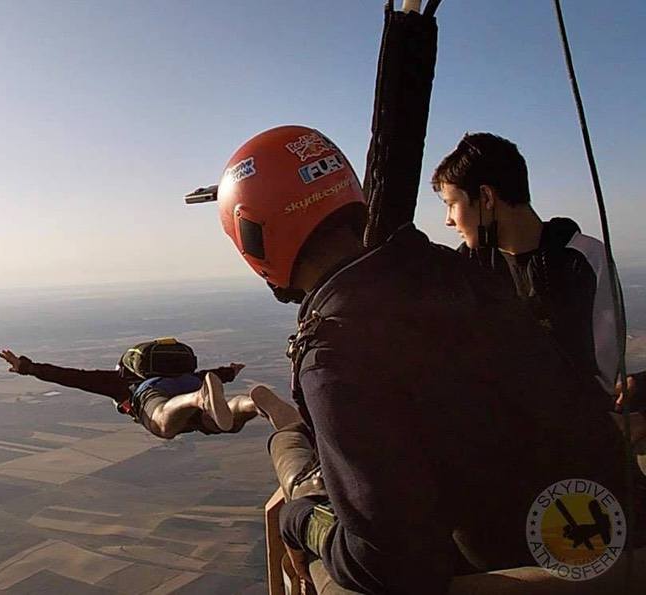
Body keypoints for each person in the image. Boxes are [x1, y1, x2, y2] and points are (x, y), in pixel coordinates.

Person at [214, 125, 642, 593]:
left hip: (559, 561)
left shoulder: (336, 352)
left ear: (254, 235)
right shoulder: (456, 271)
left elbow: (385, 561)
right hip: (618, 519)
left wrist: (300, 520)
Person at [433, 132, 645, 442]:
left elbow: (596, 376)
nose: (448, 221)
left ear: (487, 197)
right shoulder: (467, 267)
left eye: (451, 204)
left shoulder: (580, 258)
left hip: (572, 438)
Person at [0, 344, 300, 439]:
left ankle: (199, 400)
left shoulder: (121, 382)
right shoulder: (188, 375)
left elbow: (72, 377)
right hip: (194, 385)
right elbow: (213, 375)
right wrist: (230, 372)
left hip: (166, 394)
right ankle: (253, 404)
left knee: (161, 422)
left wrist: (28, 367)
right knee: (220, 421)